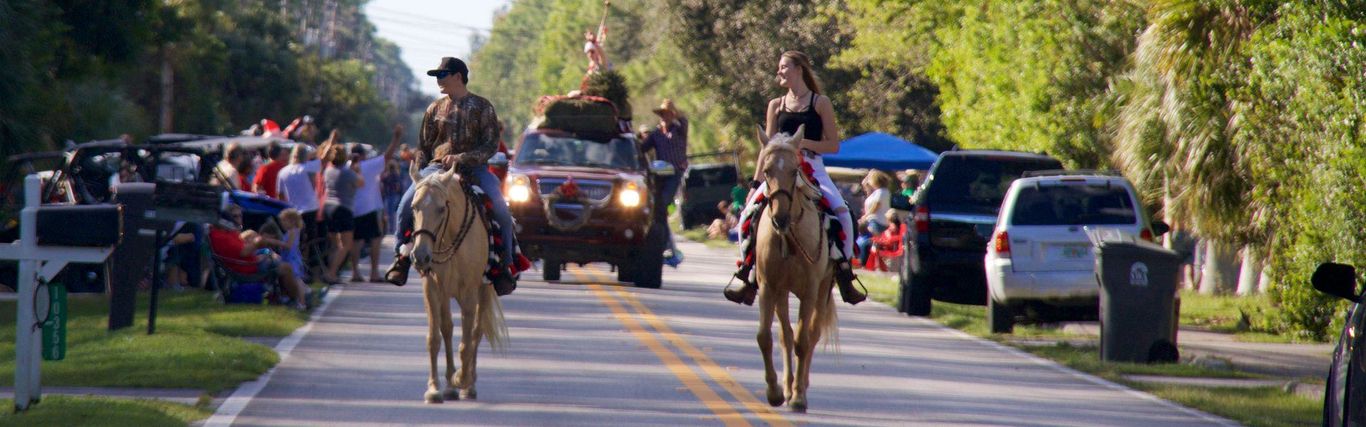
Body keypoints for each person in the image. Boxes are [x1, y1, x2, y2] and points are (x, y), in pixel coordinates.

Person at [725, 50, 867, 306]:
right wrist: (756, 184)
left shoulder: (819, 103)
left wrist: (799, 145)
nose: (779, 72)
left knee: (843, 213)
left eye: (783, 67)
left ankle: (845, 274)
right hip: (779, 170)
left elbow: (833, 145)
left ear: (799, 69)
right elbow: (765, 148)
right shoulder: (775, 105)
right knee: (747, 215)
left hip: (811, 165)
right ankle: (747, 271)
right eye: (779, 67)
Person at [384, 56, 518, 296]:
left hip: (474, 170)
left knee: (501, 210)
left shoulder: (483, 106)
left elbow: (490, 146)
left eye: (442, 75)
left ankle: (505, 265)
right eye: (436, 76)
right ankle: (401, 258)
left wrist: (462, 158)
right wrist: (419, 172)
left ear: (458, 76)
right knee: (406, 203)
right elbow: (424, 146)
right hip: (436, 169)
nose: (438, 81)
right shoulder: (433, 108)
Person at [209, 204, 311, 310]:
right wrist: (258, 242)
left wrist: (259, 250)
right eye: (233, 216)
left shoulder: (228, 233)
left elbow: (242, 250)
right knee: (286, 267)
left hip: (249, 263)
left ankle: (291, 296)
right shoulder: (220, 236)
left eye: (239, 216)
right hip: (246, 268)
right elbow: (244, 252)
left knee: (277, 260)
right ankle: (296, 299)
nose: (236, 220)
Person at [347, 126, 404, 282]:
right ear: (364, 155)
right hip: (369, 208)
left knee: (356, 241)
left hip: (353, 208)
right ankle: (373, 273)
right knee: (375, 240)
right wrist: (396, 138)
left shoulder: (346, 167)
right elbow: (388, 156)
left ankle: (355, 272)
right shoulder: (368, 165)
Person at [640, 99, 689, 267]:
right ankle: (661, 242)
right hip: (659, 174)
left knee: (663, 204)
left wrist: (674, 114)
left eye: (667, 114)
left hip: (675, 173)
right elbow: (642, 148)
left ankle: (664, 243)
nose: (664, 117)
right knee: (656, 209)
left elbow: (684, 120)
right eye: (662, 114)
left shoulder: (679, 129)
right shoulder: (656, 134)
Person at [322, 145, 363, 284]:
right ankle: (331, 273)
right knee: (346, 245)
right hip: (343, 208)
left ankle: (331, 272)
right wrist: (357, 170)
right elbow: (361, 183)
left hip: (328, 207)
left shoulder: (328, 171)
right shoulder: (348, 172)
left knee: (335, 245)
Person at [856, 170, 892, 266]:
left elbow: (876, 206)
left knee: (868, 242)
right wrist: (866, 184)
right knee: (863, 241)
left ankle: (864, 262)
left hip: (878, 222)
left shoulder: (883, 192)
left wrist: (866, 215)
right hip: (872, 220)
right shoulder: (876, 192)